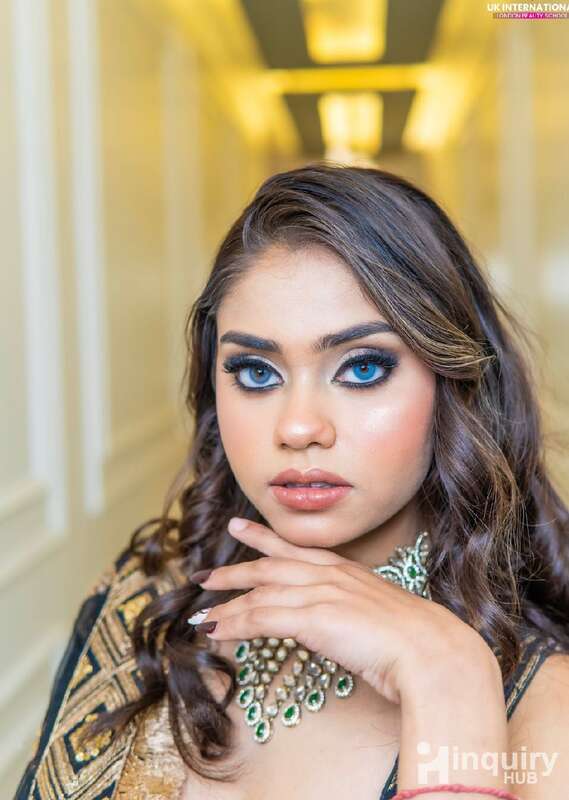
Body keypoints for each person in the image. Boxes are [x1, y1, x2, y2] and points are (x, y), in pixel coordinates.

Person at [15, 163, 569, 800]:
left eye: (363, 368)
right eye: (257, 372)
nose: (299, 427)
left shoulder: (542, 707)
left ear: (456, 383)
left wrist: (447, 679)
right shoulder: (146, 599)